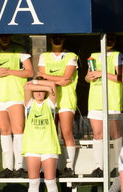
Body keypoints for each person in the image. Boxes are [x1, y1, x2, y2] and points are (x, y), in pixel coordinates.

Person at [0, 34, 34, 177]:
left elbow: (30, 72)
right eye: (1, 35)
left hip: (16, 94)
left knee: (18, 129)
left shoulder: (20, 50)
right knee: (4, 130)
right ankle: (8, 167)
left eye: (6, 35)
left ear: (11, 35)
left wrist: (10, 71)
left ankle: (20, 166)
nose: (4, 37)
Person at [85, 33, 123, 178]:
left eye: (111, 39)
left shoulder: (118, 55)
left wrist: (101, 73)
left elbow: (121, 78)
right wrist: (89, 77)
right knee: (98, 134)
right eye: (106, 39)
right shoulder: (93, 55)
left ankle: (118, 166)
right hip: (95, 101)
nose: (109, 41)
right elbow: (88, 77)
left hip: (112, 101)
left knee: (115, 134)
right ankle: (99, 167)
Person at [37, 35, 79, 177]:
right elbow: (42, 78)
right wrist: (58, 80)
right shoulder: (44, 56)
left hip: (66, 99)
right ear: (50, 39)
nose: (57, 39)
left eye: (60, 37)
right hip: (49, 98)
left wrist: (47, 77)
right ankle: (49, 167)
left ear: (64, 39)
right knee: (50, 133)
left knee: (66, 132)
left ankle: (69, 166)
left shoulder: (71, 56)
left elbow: (66, 80)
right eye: (54, 37)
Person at [22, 78, 61, 192]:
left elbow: (52, 85)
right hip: (32, 147)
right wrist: (39, 85)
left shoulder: (49, 103)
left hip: (49, 146)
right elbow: (27, 87)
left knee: (50, 181)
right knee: (33, 182)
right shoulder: (29, 104)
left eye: (41, 91)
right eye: (36, 91)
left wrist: (43, 86)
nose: (38, 93)